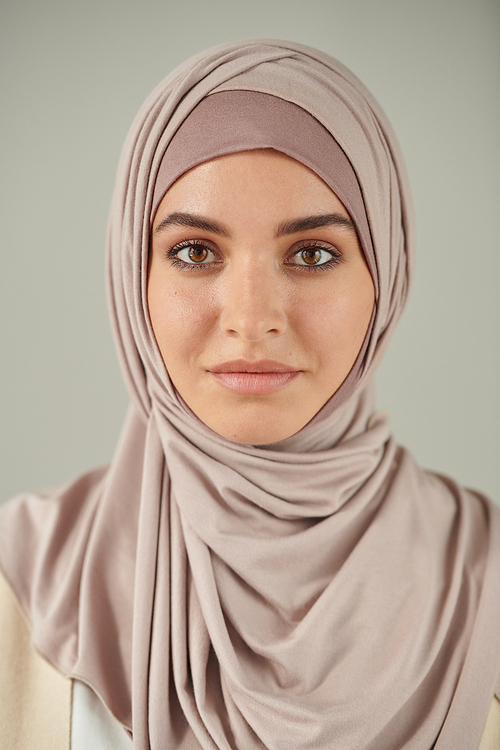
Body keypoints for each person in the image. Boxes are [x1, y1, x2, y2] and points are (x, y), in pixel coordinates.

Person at [0, 39, 499, 750]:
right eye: (195, 252)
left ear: (386, 276)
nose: (252, 316)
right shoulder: (18, 583)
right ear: (131, 276)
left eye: (313, 254)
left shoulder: (485, 578)